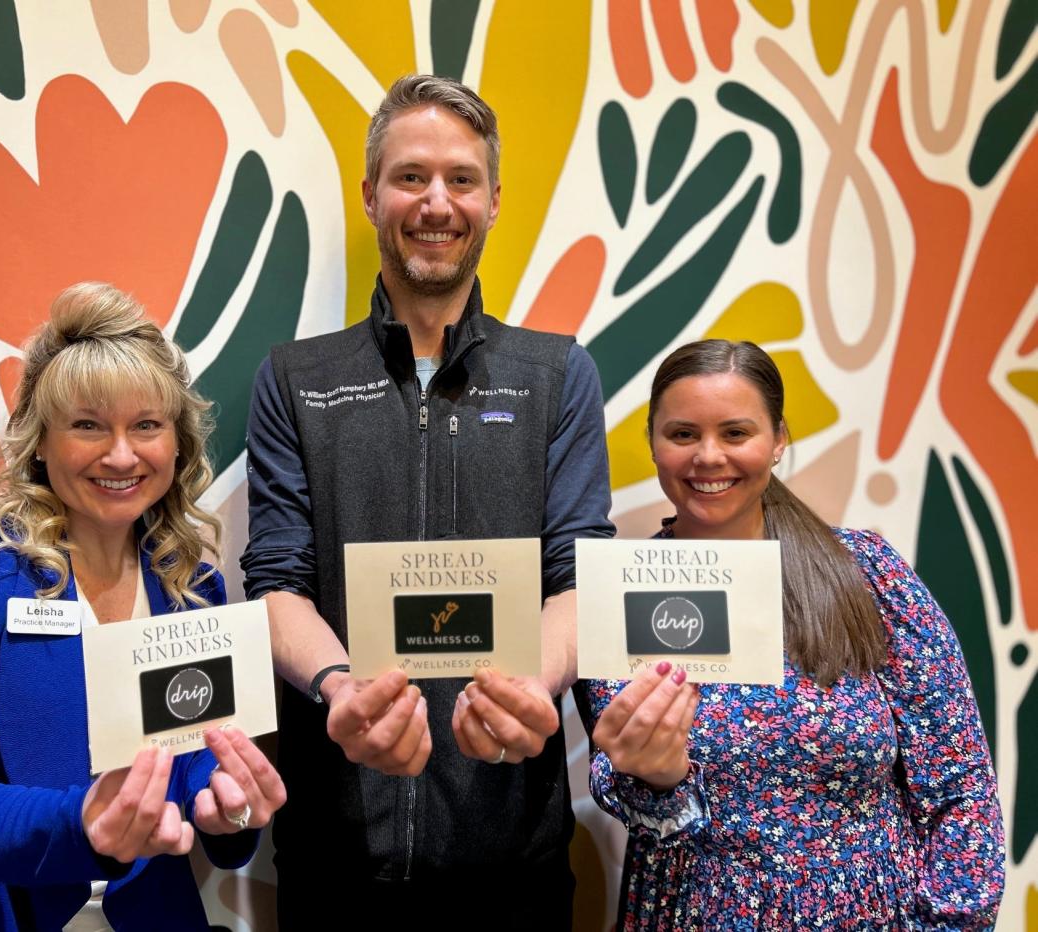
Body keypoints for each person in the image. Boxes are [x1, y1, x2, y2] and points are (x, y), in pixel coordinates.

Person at [242, 74, 614, 927]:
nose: (436, 202)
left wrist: (537, 684)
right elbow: (275, 579)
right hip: (334, 857)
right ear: (371, 194)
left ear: (492, 200)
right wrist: (340, 688)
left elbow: (579, 576)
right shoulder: (295, 379)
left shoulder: (556, 375)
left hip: (511, 860)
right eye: (411, 176)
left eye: (461, 178)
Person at [0, 282, 286, 931]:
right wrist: (83, 824)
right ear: (39, 439)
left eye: (146, 425)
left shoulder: (190, 585)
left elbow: (199, 758)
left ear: (177, 443)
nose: (121, 454)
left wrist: (227, 807)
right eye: (88, 425)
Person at [577, 339, 1006, 929]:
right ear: (653, 443)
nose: (708, 456)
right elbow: (632, 799)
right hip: (696, 911)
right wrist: (657, 775)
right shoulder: (629, 589)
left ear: (777, 440)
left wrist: (953, 923)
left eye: (735, 433)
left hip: (868, 913)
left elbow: (958, 787)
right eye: (682, 435)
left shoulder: (865, 573)